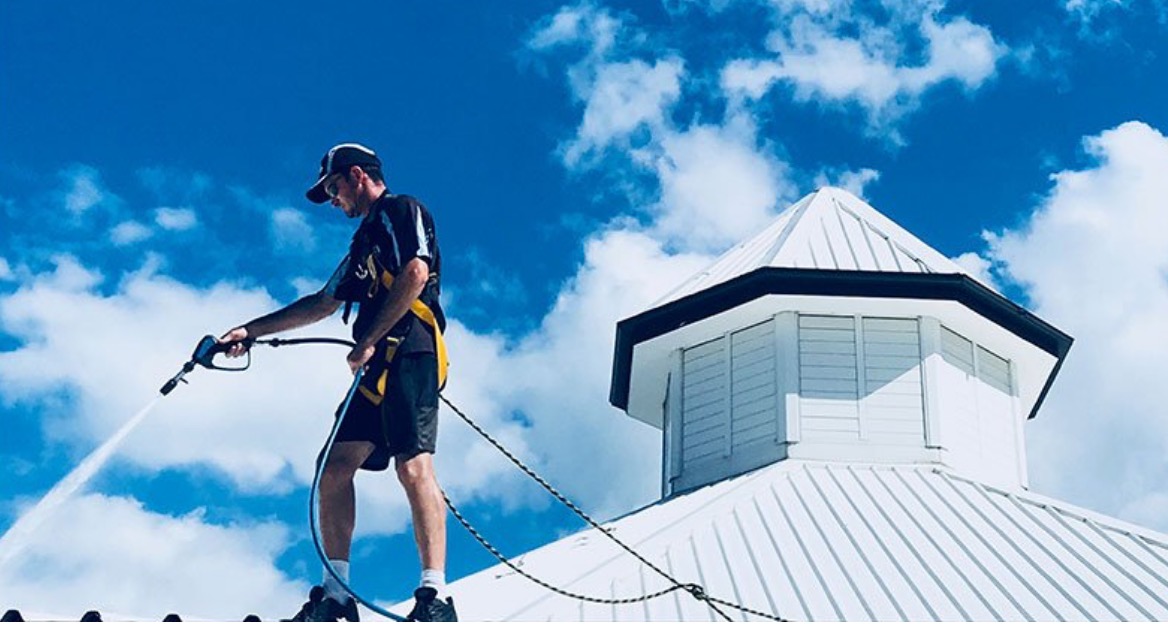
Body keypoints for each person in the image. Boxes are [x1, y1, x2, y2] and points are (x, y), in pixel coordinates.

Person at [219, 143, 456, 622]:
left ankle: (436, 598)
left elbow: (416, 271)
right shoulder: (362, 245)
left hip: (411, 351)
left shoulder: (399, 211)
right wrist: (250, 330)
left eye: (332, 188)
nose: (332, 201)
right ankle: (337, 597)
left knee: (412, 467)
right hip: (373, 366)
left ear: (355, 176)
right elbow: (323, 302)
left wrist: (369, 337)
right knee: (334, 467)